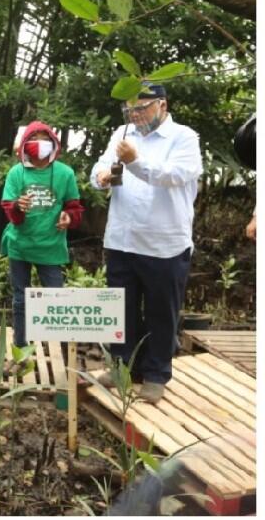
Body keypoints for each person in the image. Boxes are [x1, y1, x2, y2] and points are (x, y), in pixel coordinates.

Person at [90, 82, 203, 404]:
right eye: (130, 109)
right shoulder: (123, 132)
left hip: (164, 242)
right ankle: (122, 366)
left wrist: (135, 161)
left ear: (162, 105)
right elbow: (102, 165)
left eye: (141, 108)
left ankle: (155, 374)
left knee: (160, 311)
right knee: (120, 309)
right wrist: (100, 177)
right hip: (122, 238)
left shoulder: (183, 138)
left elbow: (174, 175)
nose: (135, 115)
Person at [0, 121, 83, 360]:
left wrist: (69, 218)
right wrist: (18, 206)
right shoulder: (16, 173)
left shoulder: (65, 173)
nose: (39, 145)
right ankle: (20, 351)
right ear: (25, 145)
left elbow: (74, 207)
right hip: (20, 245)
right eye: (34, 139)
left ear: (54, 144)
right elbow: (8, 209)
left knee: (57, 301)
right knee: (20, 300)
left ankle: (66, 355)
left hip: (51, 247)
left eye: (44, 139)